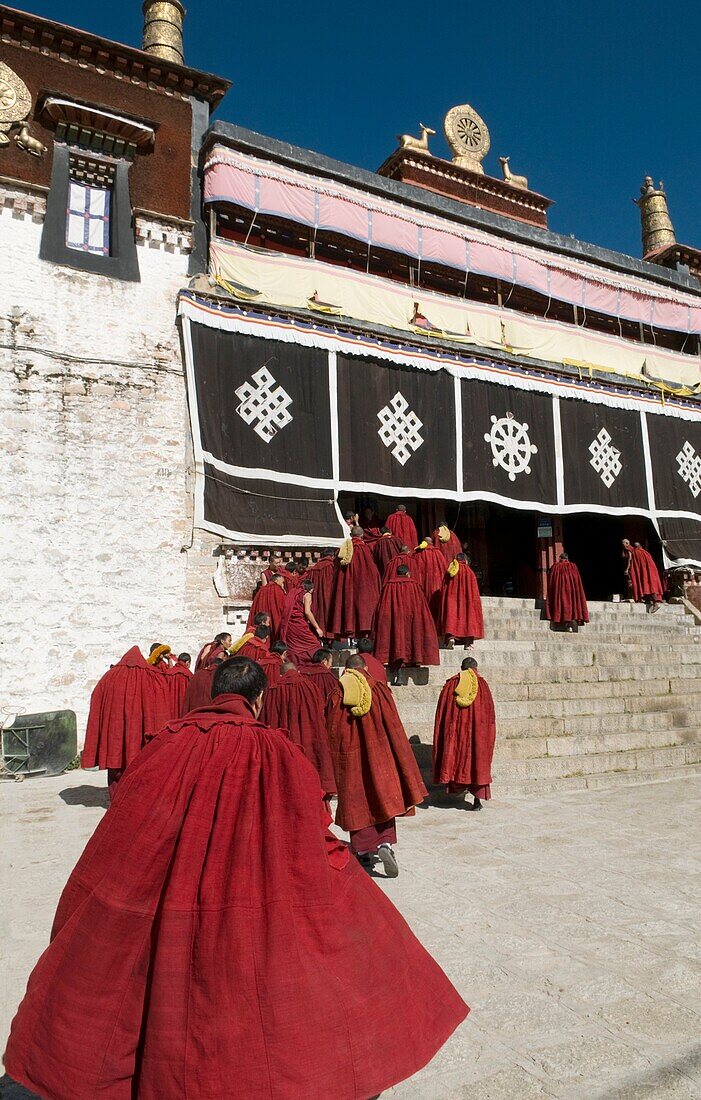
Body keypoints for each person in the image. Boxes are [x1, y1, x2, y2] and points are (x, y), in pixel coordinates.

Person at [5, 657, 468, 1100]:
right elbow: (307, 827)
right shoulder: (277, 748)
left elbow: (128, 818)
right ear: (258, 700)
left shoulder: (164, 743)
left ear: (215, 692)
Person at [326, 654, 428, 876]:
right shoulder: (378, 689)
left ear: (346, 671)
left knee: (356, 800)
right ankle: (385, 845)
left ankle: (362, 850)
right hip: (380, 754)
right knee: (382, 796)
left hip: (351, 761)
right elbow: (393, 725)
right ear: (364, 668)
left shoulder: (336, 694)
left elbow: (332, 732)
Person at [81, 646, 175, 798]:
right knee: (139, 765)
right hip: (140, 732)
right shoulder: (151, 676)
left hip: (115, 732)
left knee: (116, 766)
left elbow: (97, 699)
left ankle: (116, 800)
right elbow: (160, 706)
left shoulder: (109, 676)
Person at [260, 661, 336, 799]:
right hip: (310, 735)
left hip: (285, 741)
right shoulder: (311, 686)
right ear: (298, 672)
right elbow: (320, 711)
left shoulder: (273, 690)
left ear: (281, 674)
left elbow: (267, 719)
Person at [432, 656, 496, 811]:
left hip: (456, 733)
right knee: (477, 760)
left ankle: (456, 785)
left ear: (462, 668)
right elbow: (489, 715)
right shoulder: (482, 685)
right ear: (475, 668)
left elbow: (442, 713)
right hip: (477, 733)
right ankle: (477, 801)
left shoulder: (452, 684)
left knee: (457, 756)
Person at [373, 564, 440, 681]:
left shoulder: (389, 585)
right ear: (408, 573)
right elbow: (421, 606)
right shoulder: (414, 585)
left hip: (394, 618)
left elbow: (382, 606)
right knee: (412, 639)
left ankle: (399, 672)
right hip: (412, 618)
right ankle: (415, 661)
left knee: (397, 643)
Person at [328, 526, 381, 641]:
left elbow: (336, 569)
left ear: (351, 535)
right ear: (362, 536)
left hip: (347, 587)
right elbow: (373, 572)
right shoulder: (366, 550)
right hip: (363, 589)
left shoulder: (345, 549)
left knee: (347, 605)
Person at [437, 553, 485, 648]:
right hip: (467, 601)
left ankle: (450, 638)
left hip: (451, 599)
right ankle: (468, 644)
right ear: (465, 561)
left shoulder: (450, 571)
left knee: (451, 617)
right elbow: (474, 591)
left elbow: (444, 588)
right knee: (468, 618)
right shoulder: (469, 572)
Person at [279, 578, 325, 665]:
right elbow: (307, 612)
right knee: (314, 644)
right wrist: (317, 628)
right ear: (311, 589)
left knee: (294, 648)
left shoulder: (293, 592)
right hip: (299, 624)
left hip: (290, 624)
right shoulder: (307, 594)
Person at [545, 552, 589, 632]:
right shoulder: (573, 566)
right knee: (571, 606)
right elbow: (577, 581)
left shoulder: (555, 567)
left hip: (559, 592)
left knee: (560, 604)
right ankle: (570, 625)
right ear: (567, 558)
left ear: (560, 558)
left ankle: (558, 622)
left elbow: (550, 581)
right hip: (571, 591)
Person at [412, 538, 447, 621]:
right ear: (431, 543)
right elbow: (444, 569)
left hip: (423, 586)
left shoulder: (417, 554)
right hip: (437, 586)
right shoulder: (438, 553)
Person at [247, 572, 286, 640]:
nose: (283, 585)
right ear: (276, 581)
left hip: (262, 620)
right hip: (274, 621)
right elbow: (282, 607)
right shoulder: (278, 590)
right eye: (282, 582)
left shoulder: (262, 590)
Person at [307, 548, 335, 635]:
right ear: (332, 556)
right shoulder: (331, 566)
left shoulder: (314, 568)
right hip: (329, 597)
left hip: (315, 597)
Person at [632, 541, 664, 612]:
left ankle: (655, 604)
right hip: (650, 573)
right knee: (649, 587)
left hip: (645, 573)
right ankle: (649, 601)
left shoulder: (636, 553)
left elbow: (636, 566)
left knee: (649, 588)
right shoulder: (645, 553)